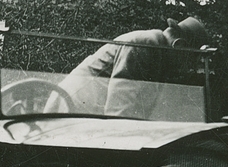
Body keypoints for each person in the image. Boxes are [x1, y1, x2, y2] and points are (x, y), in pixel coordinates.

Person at [63, 16, 212, 118]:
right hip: (74, 110)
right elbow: (120, 105)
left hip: (82, 111)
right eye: (189, 59)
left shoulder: (156, 50)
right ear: (179, 44)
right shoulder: (146, 44)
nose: (186, 67)